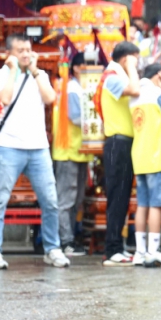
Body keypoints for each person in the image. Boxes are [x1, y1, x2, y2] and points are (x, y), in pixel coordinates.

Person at [0, 34, 70, 269]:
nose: (25, 54)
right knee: (0, 200)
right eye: (20, 50)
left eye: (28, 49)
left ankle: (52, 248)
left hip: (39, 147)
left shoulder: (39, 74)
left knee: (50, 201)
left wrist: (34, 71)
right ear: (9, 53)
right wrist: (13, 70)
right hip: (10, 146)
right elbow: (5, 98)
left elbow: (51, 98)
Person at [128, 64, 161, 268]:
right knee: (156, 204)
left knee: (142, 204)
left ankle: (140, 251)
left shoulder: (135, 94)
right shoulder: (156, 92)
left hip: (138, 155)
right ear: (159, 77)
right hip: (155, 155)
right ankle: (153, 250)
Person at [100, 41, 141, 267]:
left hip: (125, 143)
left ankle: (117, 246)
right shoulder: (112, 77)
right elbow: (135, 90)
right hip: (118, 142)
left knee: (122, 196)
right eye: (134, 58)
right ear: (125, 58)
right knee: (117, 197)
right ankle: (112, 248)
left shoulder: (117, 76)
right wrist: (132, 66)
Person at [52, 52, 92, 257]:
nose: (91, 68)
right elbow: (76, 118)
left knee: (75, 199)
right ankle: (65, 241)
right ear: (77, 68)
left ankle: (69, 239)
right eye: (88, 64)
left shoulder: (75, 87)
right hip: (69, 151)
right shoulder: (72, 89)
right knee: (66, 199)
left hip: (78, 151)